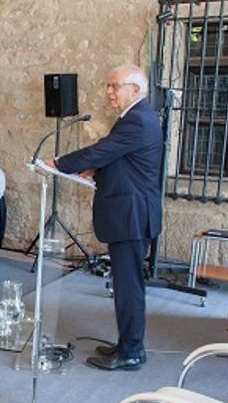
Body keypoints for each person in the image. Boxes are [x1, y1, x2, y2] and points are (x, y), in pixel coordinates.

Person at [48, 64, 161, 372]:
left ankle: (132, 352)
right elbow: (120, 159)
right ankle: (128, 343)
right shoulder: (135, 117)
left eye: (115, 86)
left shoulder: (138, 120)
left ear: (135, 90)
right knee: (127, 285)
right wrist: (98, 170)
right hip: (130, 213)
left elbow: (103, 150)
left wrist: (59, 163)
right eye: (108, 86)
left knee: (128, 287)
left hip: (131, 216)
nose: (109, 92)